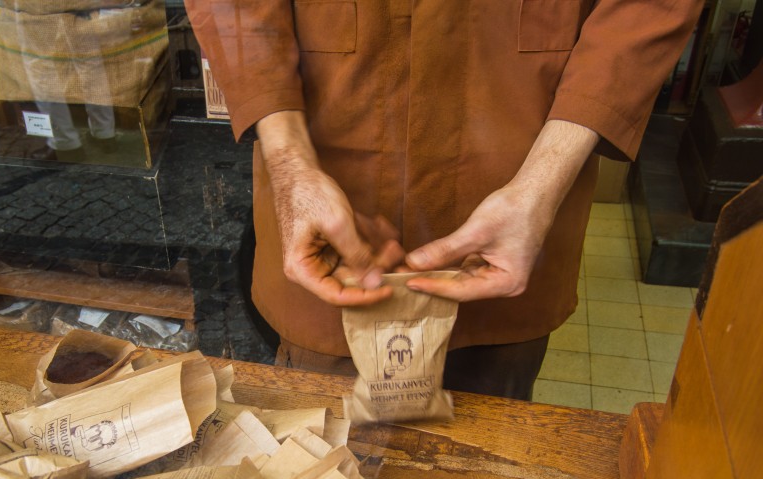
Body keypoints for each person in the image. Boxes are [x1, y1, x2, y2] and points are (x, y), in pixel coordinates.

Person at [185, 0, 703, 399]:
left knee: (492, 469)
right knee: (322, 461)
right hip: (329, 197)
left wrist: (542, 185)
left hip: (523, 185)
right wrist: (290, 163)